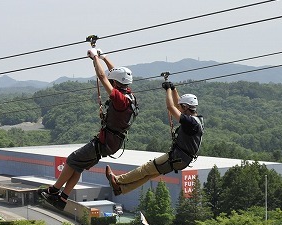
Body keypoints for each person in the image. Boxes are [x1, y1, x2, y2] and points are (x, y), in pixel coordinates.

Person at [40, 48, 138, 210]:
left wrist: (94, 59)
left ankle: (53, 191)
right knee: (77, 166)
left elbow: (102, 77)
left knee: (72, 160)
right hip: (112, 142)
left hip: (105, 142)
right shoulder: (129, 95)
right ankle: (62, 199)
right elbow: (115, 74)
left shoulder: (120, 99)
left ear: (115, 83)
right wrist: (104, 57)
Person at [105, 81, 203, 196]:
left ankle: (117, 180)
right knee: (149, 174)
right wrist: (173, 89)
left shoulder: (190, 122)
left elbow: (171, 107)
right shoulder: (197, 120)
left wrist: (167, 91)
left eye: (181, 107)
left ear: (186, 107)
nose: (179, 108)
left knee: (146, 169)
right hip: (182, 160)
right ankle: (121, 189)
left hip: (176, 158)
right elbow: (177, 105)